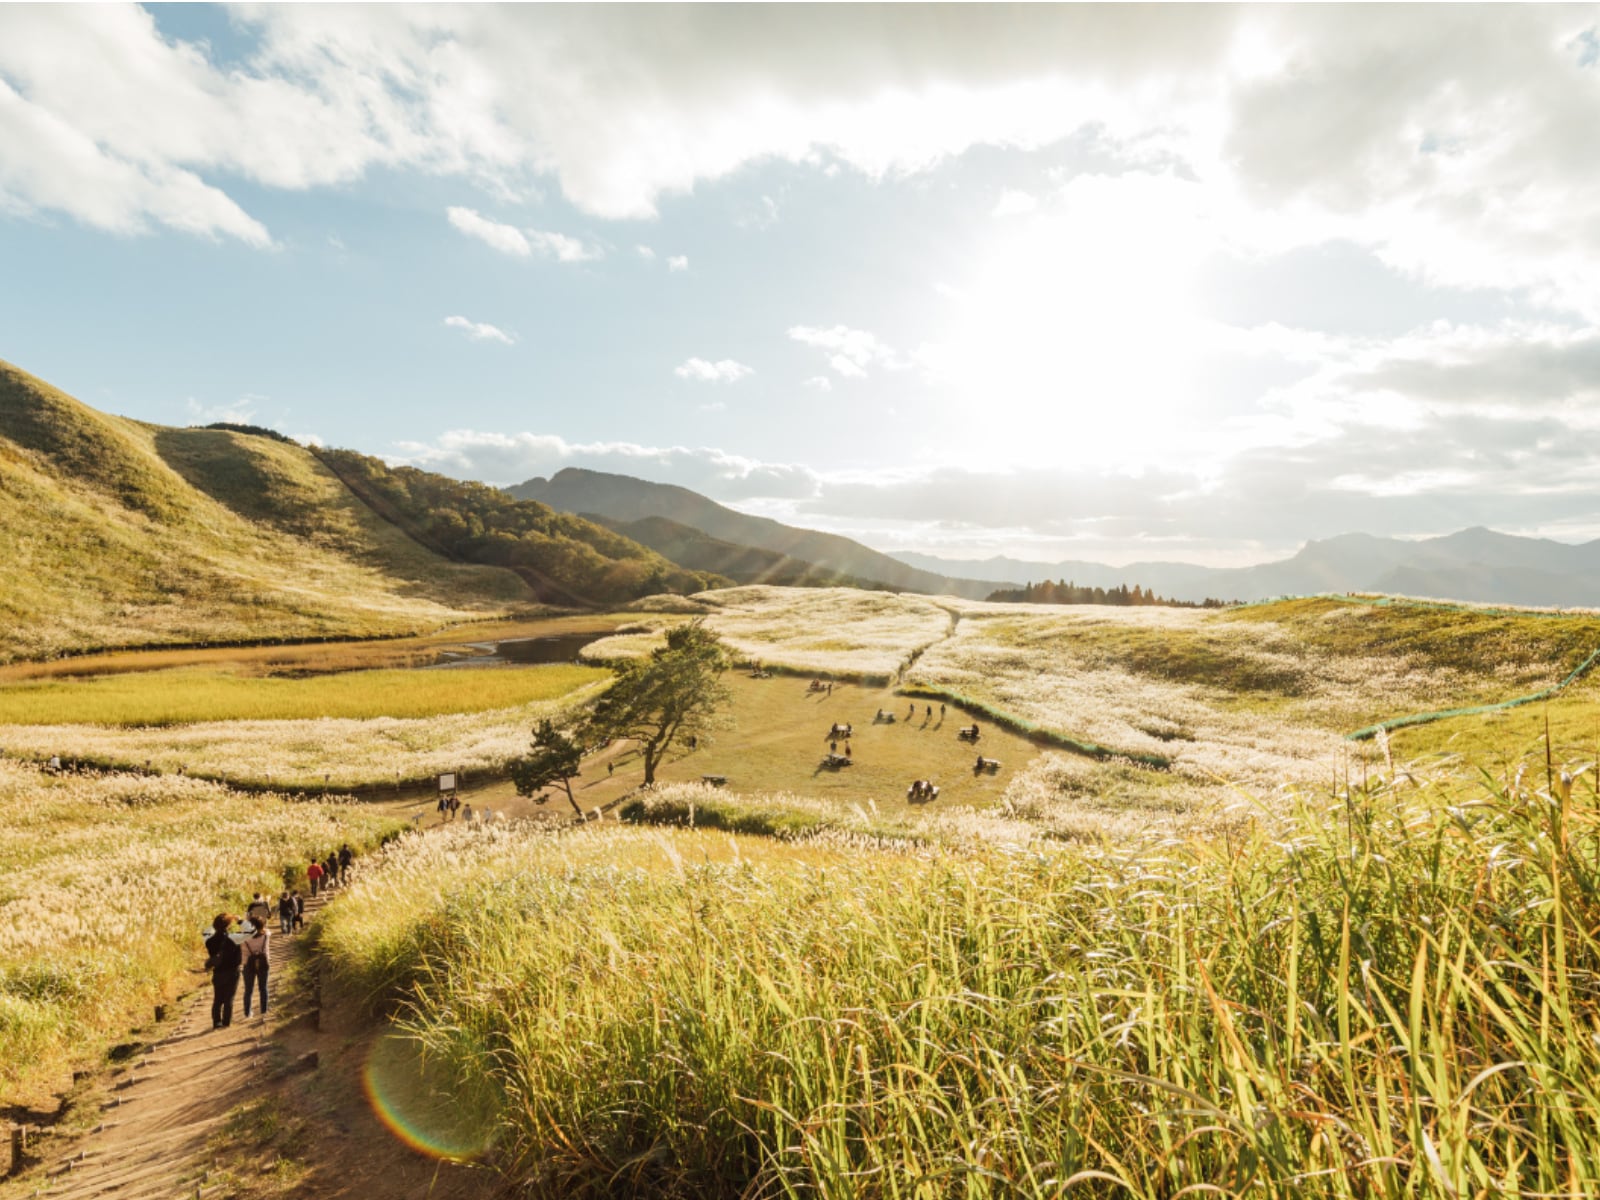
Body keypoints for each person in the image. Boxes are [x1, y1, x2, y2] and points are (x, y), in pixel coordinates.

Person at [205, 914, 242, 1030]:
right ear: (228, 925)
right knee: (229, 998)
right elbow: (239, 958)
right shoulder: (234, 938)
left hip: (218, 972)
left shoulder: (209, 941)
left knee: (218, 999)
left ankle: (216, 1022)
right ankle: (226, 1021)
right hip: (232, 971)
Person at [239, 918, 270, 1019]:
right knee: (263, 988)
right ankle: (264, 1011)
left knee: (248, 990)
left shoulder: (243, 937)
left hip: (248, 965)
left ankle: (248, 1013)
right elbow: (267, 930)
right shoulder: (266, 935)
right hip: (263, 963)